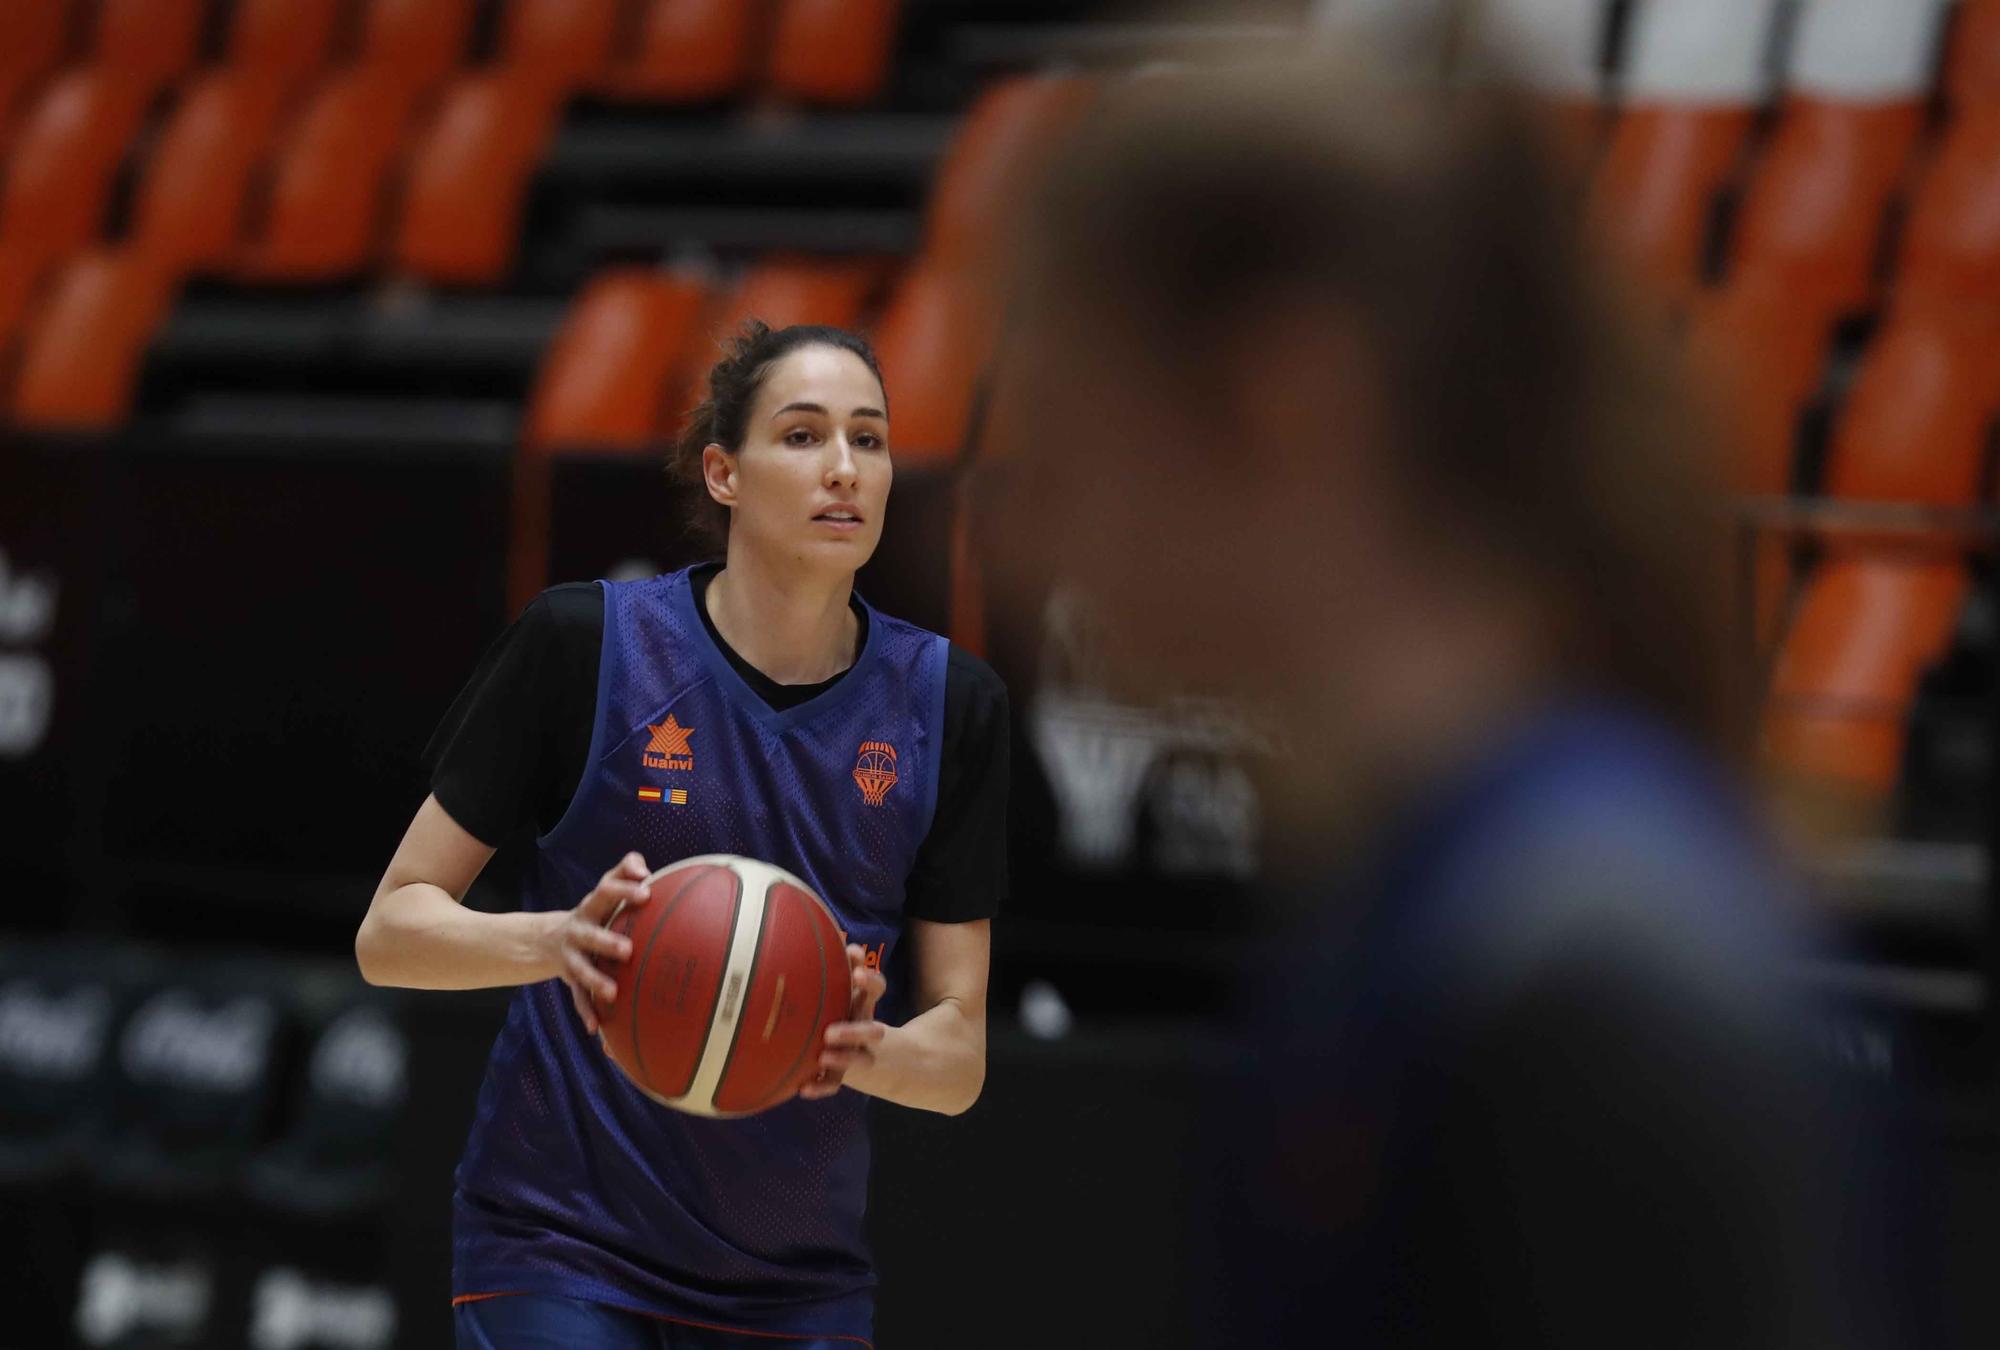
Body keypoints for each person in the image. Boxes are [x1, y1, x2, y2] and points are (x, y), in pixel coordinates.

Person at [986, 54, 1915, 1349]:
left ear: (1281, 402)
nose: (1024, 539)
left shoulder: (1589, 973)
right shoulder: (1424, 903)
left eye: (1062, 438)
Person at [355, 321, 1009, 1349]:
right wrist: (554, 940)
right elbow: (390, 931)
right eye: (801, 437)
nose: (843, 468)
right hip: (558, 1246)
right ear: (723, 472)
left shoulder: (948, 705)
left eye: (869, 440)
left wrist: (857, 1047)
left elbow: (958, 1055)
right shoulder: (584, 644)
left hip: (795, 1284)